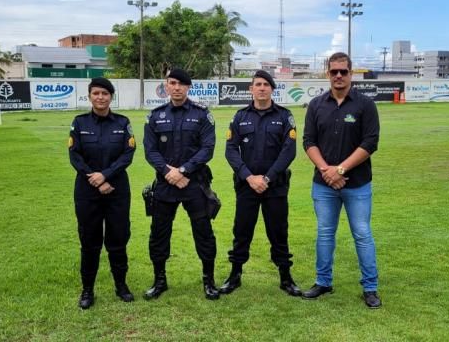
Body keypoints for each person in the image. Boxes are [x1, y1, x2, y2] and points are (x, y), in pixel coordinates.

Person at [301, 52, 382, 309]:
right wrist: (327, 170)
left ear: (350, 74)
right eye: (334, 71)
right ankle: (323, 282)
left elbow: (370, 142)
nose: (338, 76)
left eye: (343, 72)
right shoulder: (316, 105)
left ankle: (370, 287)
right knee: (325, 234)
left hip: (357, 183)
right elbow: (309, 142)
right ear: (327, 73)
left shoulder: (365, 105)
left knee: (362, 233)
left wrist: (341, 170)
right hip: (323, 183)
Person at [219, 70, 302, 297]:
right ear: (251, 89)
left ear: (272, 89)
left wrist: (267, 178)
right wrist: (249, 176)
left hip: (274, 186)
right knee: (242, 231)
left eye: (266, 84)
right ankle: (235, 275)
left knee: (278, 232)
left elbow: (289, 151)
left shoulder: (285, 116)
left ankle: (286, 278)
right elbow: (230, 150)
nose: (262, 88)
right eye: (258, 84)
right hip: (247, 186)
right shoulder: (240, 116)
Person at [143, 68, 220, 300]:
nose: (176, 87)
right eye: (172, 83)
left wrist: (184, 170)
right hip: (165, 185)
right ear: (166, 86)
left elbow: (208, 148)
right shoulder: (155, 116)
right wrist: (168, 172)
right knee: (159, 234)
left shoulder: (202, 115)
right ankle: (159, 281)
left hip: (194, 183)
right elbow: (150, 150)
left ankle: (209, 281)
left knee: (204, 233)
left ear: (189, 87)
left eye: (181, 84)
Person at [68, 77, 136, 309]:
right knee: (89, 242)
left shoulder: (123, 122)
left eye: (105, 94)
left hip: (117, 190)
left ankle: (121, 285)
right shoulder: (79, 123)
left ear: (111, 97)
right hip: (87, 191)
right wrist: (96, 180)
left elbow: (127, 155)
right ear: (89, 96)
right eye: (96, 93)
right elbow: (75, 156)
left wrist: (105, 175)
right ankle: (87, 290)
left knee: (118, 240)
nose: (100, 97)